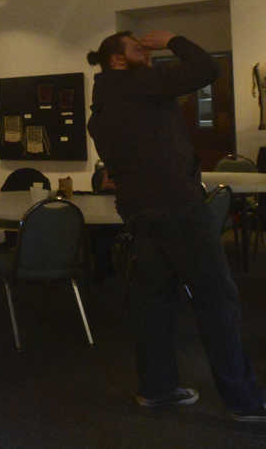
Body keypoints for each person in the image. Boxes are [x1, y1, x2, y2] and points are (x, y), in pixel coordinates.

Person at [86, 30, 265, 420]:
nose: (146, 52)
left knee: (154, 302)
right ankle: (244, 401)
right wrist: (173, 38)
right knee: (217, 299)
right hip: (178, 209)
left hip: (139, 214)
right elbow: (206, 67)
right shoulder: (137, 84)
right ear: (117, 60)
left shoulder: (101, 108)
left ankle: (158, 389)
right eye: (137, 48)